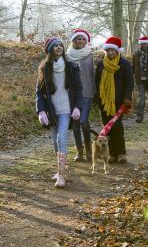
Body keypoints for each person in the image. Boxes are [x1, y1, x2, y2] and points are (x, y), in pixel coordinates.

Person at [36, 36, 82, 187]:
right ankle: (59, 169)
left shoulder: (72, 66)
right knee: (55, 141)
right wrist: (41, 111)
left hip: (66, 109)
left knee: (61, 139)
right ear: (50, 49)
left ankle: (61, 176)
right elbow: (39, 92)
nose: (59, 47)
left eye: (60, 45)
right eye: (55, 46)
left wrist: (77, 107)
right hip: (51, 110)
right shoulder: (44, 68)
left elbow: (78, 89)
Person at [93, 36, 134, 164]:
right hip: (104, 102)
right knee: (107, 128)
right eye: (108, 50)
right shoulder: (101, 65)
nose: (110, 53)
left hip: (119, 101)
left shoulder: (125, 64)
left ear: (117, 51)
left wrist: (127, 97)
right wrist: (97, 98)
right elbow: (97, 83)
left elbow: (129, 82)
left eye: (113, 50)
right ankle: (111, 154)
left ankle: (121, 153)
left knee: (117, 126)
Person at [66, 28, 95, 162]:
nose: (81, 41)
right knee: (76, 122)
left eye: (83, 39)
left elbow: (92, 75)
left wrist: (96, 93)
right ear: (74, 41)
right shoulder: (68, 55)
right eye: (79, 39)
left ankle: (89, 149)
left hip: (87, 93)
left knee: (83, 121)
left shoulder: (90, 55)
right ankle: (80, 151)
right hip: (73, 94)